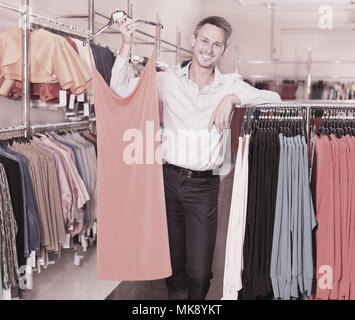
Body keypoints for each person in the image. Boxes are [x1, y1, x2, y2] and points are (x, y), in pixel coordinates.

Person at [110, 15, 281, 300]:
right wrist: (126, 44)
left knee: (200, 270)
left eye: (217, 44)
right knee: (174, 265)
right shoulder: (166, 81)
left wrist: (233, 99)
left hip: (204, 187)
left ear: (223, 50)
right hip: (168, 181)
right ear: (193, 40)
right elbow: (121, 89)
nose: (208, 49)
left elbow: (275, 100)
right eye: (204, 41)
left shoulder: (230, 85)